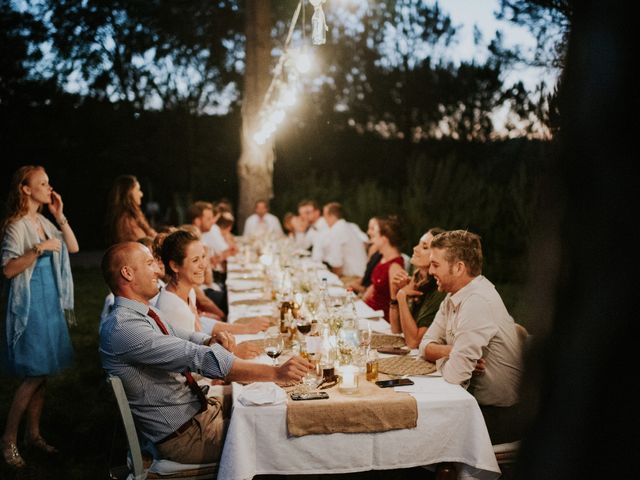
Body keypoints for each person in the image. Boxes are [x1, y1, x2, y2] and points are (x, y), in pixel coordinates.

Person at [99, 242, 311, 464]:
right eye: (150, 263)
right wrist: (276, 373)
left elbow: (186, 337)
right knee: (281, 435)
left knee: (276, 409)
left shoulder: (143, 311)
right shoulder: (125, 327)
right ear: (127, 273)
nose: (158, 270)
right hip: (186, 437)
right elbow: (196, 357)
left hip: (198, 413)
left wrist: (210, 339)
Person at [1, 165, 79, 468]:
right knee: (34, 374)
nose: (49, 188)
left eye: (49, 182)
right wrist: (38, 248)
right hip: (30, 306)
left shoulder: (44, 221)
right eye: (42, 183)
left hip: (50, 305)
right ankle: (8, 438)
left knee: (42, 374)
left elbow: (72, 246)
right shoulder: (16, 225)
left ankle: (32, 435)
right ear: (25, 188)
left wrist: (59, 215)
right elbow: (8, 269)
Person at [419, 230, 524, 444]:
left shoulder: (477, 301)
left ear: (459, 268)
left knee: (421, 432)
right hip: (472, 405)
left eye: (435, 265)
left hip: (498, 416)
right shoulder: (453, 296)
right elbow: (423, 346)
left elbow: (454, 377)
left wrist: (442, 357)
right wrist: (451, 352)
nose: (430, 271)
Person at [155, 230, 270, 358]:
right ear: (175, 266)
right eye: (195, 260)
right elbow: (190, 362)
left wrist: (247, 328)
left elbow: (200, 326)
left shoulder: (187, 291)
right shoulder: (174, 308)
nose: (203, 265)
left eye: (203, 257)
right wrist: (233, 353)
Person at [389, 228, 446, 348]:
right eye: (419, 244)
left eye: (424, 247)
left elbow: (414, 342)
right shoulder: (416, 276)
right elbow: (396, 330)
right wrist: (394, 296)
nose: (415, 248)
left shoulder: (439, 290)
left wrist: (402, 296)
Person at [363, 216, 405, 321]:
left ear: (384, 239)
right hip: (369, 313)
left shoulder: (395, 267)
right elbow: (372, 288)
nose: (372, 236)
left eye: (375, 233)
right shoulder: (383, 258)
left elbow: (395, 304)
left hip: (381, 320)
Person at [319, 202, 367, 279]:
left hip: (353, 278)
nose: (324, 219)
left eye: (324, 215)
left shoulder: (337, 230)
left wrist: (333, 280)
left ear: (331, 216)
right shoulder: (345, 226)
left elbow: (337, 264)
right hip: (359, 274)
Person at [105, 174, 157, 245]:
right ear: (129, 193)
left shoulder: (133, 217)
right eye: (138, 190)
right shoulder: (126, 221)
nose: (141, 194)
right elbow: (142, 245)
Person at [345, 217, 382, 295]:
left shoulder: (383, 255)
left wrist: (355, 286)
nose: (368, 232)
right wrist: (353, 283)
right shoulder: (373, 249)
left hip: (367, 295)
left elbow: (375, 288)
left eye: (372, 229)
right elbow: (366, 277)